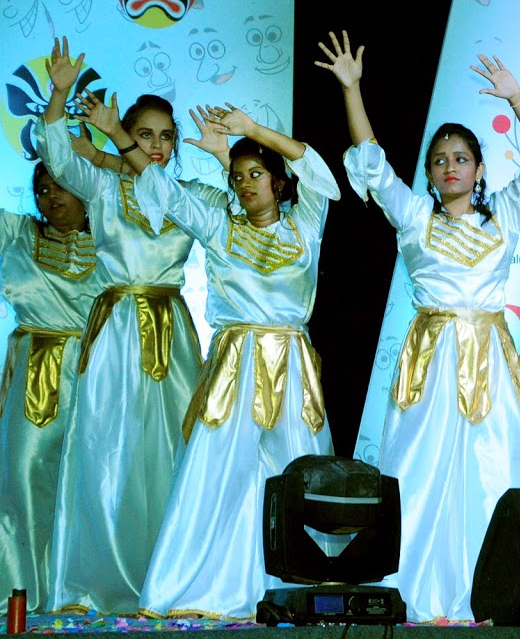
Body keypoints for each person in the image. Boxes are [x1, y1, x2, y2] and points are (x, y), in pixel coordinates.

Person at [323, 29, 520, 623]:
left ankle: (497, 588)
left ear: (479, 169)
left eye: (461, 158)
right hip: (431, 360)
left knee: (493, 468)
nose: (451, 167)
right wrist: (352, 89)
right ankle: (411, 585)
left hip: (490, 359)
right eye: (440, 159)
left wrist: (516, 98)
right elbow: (371, 161)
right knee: (420, 469)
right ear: (429, 173)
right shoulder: (414, 215)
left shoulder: (506, 214)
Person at [112, 100, 340, 619]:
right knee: (214, 470)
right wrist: (121, 140)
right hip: (236, 362)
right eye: (237, 177)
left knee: (297, 470)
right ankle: (190, 586)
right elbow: (164, 190)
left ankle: (304, 584)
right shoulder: (219, 226)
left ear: (278, 182)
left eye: (256, 174)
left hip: (292, 363)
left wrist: (254, 130)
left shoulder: (306, 224)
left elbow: (318, 172)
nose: (244, 184)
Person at [34, 36, 224, 614]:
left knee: (174, 451)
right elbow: (57, 154)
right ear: (128, 136)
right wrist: (60, 95)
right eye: (145, 135)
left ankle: (173, 581)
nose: (157, 146)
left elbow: (243, 213)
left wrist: (222, 153)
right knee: (108, 450)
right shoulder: (103, 187)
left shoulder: (191, 195)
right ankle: (99, 582)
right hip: (116, 330)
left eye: (166, 137)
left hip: (172, 331)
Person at [0, 164, 101, 614]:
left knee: (90, 484)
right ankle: (21, 592)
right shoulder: (18, 232)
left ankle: (80, 591)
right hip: (33, 374)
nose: (51, 196)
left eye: (62, 186)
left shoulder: (112, 237)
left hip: (93, 373)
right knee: (23, 479)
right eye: (42, 189)